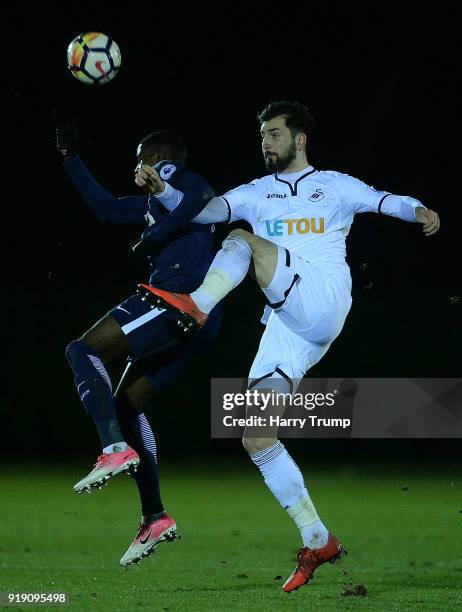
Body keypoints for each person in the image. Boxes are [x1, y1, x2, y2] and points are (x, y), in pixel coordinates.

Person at [134, 100, 440, 591]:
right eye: (261, 135)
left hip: (323, 298)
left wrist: (418, 209)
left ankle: (198, 304)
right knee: (255, 433)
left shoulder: (335, 185)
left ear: (299, 139)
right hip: (287, 323)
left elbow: (385, 200)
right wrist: (165, 190)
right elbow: (206, 210)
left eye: (274, 133)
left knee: (242, 241)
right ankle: (317, 538)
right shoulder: (257, 192)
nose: (265, 142)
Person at [54, 113, 222, 566]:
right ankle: (155, 517)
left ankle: (112, 447)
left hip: (174, 300)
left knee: (81, 349)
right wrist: (70, 158)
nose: (136, 168)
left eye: (138, 160)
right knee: (127, 404)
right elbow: (106, 207)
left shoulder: (173, 177)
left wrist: (155, 237)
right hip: (199, 314)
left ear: (154, 159)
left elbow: (201, 193)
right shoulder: (157, 204)